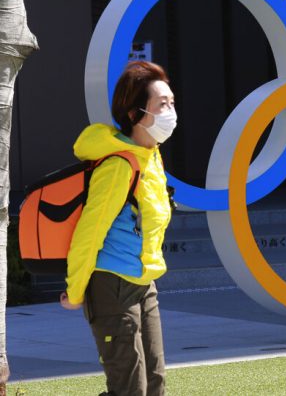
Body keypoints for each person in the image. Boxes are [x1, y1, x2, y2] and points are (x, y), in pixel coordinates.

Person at [60, 60, 177, 396]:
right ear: (134, 113)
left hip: (144, 282)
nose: (170, 112)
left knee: (155, 385)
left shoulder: (151, 157)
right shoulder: (119, 166)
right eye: (161, 105)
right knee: (129, 389)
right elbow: (89, 232)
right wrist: (77, 290)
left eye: (172, 103)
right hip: (112, 286)